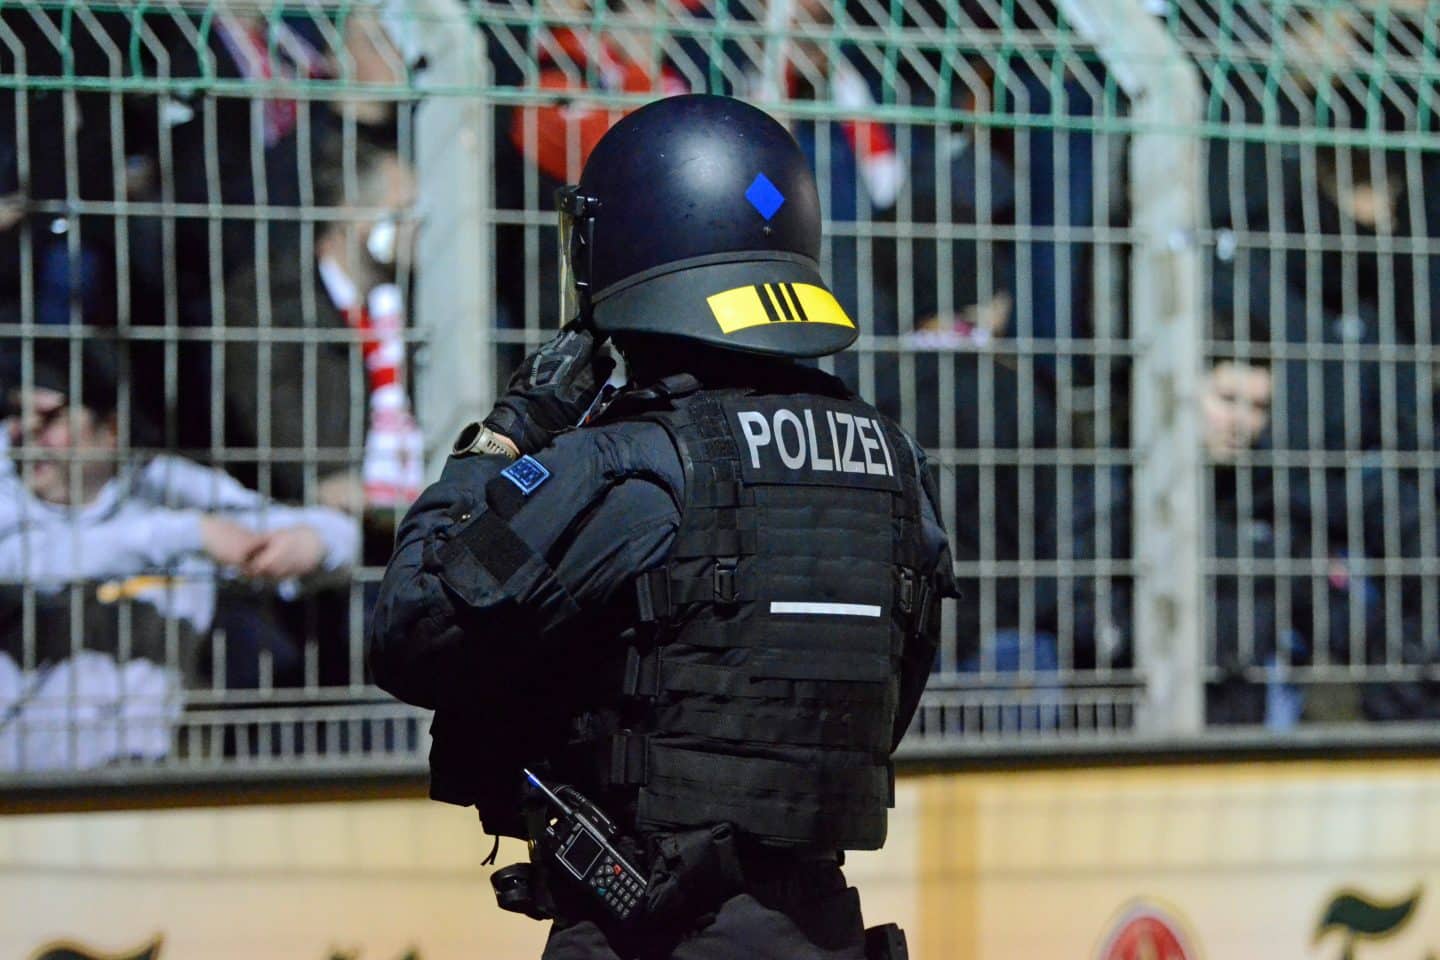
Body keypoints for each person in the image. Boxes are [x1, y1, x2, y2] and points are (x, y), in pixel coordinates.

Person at [367, 94, 955, 960]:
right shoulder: (894, 466)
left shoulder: (630, 466)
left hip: (650, 931)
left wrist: (500, 443)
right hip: (820, 930)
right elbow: (887, 701)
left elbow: (412, 630)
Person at [0, 336, 359, 769]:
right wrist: (188, 534)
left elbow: (340, 536)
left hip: (136, 775)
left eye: (48, 417)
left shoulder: (165, 484)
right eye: (15, 414)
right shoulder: (7, 496)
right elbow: (30, 564)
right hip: (19, 781)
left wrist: (311, 542)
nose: (24, 433)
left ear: (110, 429)